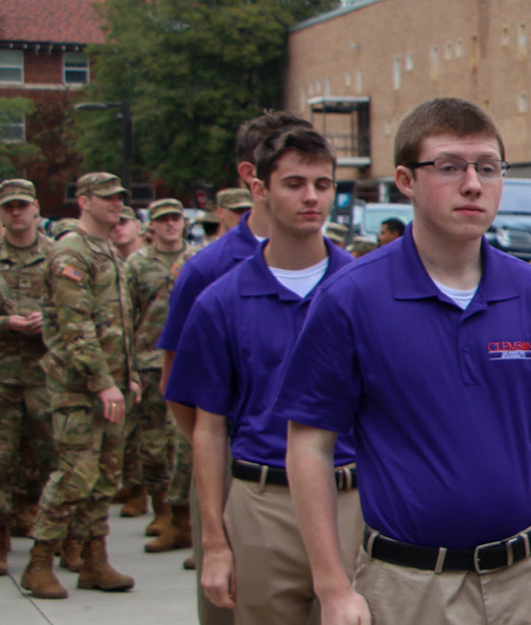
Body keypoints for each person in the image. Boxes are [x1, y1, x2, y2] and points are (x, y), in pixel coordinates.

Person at [276, 97, 531, 625]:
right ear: (405, 179)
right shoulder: (350, 299)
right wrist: (331, 588)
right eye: (448, 167)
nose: (472, 184)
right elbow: (309, 444)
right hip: (410, 586)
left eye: (487, 167)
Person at [168, 126, 366, 624]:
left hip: (352, 499)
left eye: (323, 185)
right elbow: (207, 429)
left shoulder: (364, 291)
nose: (311, 197)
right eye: (294, 183)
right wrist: (214, 541)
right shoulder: (220, 300)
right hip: (262, 502)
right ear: (260, 190)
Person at [21, 172, 141, 598]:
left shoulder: (107, 249)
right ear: (84, 201)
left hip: (110, 385)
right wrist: (104, 382)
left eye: (120, 198)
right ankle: (39, 563)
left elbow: (118, 323)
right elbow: (77, 328)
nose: (117, 204)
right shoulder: (71, 251)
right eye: (108, 198)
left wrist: (126, 377)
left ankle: (94, 559)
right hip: (79, 387)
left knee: (106, 478)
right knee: (74, 474)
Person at [121, 198, 194, 550]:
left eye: (175, 218)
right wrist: (129, 365)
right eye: (162, 219)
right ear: (151, 226)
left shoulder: (196, 260)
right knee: (153, 444)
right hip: (149, 360)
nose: (169, 225)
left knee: (185, 442)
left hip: (186, 361)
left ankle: (184, 515)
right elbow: (126, 314)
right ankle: (161, 508)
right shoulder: (137, 264)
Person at [0, 179, 54, 575]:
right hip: (2, 377)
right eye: (8, 207)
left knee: (51, 459)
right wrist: (5, 323)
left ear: (35, 208)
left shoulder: (56, 255)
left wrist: (46, 321)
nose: (16, 213)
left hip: (46, 377)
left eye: (21, 206)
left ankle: (55, 543)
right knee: (0, 461)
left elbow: (77, 309)